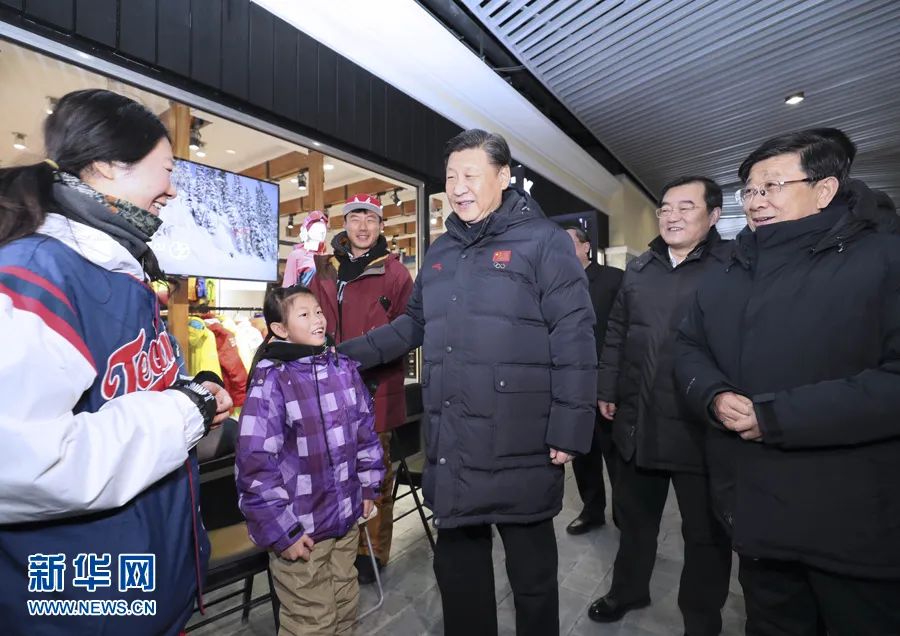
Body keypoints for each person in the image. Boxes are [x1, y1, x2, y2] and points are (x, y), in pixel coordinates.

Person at [339, 129, 597, 636]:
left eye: (471, 175)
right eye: (451, 176)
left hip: (522, 441)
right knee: (459, 578)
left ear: (502, 177)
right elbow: (411, 325)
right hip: (455, 440)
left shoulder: (544, 241)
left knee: (532, 578)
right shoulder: (440, 253)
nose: (458, 187)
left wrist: (570, 427)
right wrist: (340, 354)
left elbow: (574, 334)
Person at [0, 89, 233, 636]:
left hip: (140, 593)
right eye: (167, 169)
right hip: (81, 608)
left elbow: (120, 397)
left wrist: (192, 396)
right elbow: (22, 463)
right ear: (108, 164)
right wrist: (185, 412)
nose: (173, 188)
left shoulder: (121, 272)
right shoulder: (36, 275)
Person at [675, 130, 900, 635]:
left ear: (824, 191)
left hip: (853, 524)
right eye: (750, 191)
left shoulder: (885, 261)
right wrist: (713, 395)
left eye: (772, 187)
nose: (756, 202)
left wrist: (777, 416)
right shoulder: (730, 271)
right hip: (759, 516)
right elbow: (688, 347)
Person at [588, 177, 733, 634]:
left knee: (705, 535)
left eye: (685, 207)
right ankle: (628, 590)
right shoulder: (641, 268)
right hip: (640, 420)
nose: (671, 216)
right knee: (634, 521)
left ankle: (701, 620)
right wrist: (607, 388)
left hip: (700, 426)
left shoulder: (733, 267)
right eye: (665, 208)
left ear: (713, 215)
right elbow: (617, 333)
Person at [235, 285, 385, 636]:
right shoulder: (272, 380)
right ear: (280, 329)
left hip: (345, 522)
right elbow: (255, 466)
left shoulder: (342, 368)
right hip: (301, 532)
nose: (318, 319)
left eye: (318, 311)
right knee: (311, 623)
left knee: (345, 607)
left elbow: (364, 431)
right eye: (304, 314)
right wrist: (283, 531)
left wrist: (368, 486)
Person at [309, 193, 413, 584]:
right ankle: (336, 545)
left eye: (371, 219)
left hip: (376, 387)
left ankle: (372, 552)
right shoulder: (324, 269)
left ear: (381, 225)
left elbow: (408, 331)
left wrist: (365, 356)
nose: (363, 226)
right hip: (329, 388)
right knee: (332, 472)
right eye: (356, 218)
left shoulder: (396, 273)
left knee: (375, 475)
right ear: (345, 224)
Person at [561, 223, 622, 535]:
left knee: (616, 453)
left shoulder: (613, 279)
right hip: (573, 386)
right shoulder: (556, 284)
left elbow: (624, 332)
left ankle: (625, 513)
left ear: (586, 247)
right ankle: (592, 510)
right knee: (583, 455)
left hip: (608, 384)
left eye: (568, 243)